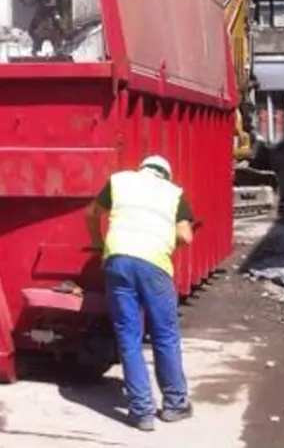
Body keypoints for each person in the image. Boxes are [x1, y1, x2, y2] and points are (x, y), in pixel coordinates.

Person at [85, 154, 194, 431]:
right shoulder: (174, 193)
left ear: (142, 169)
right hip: (154, 265)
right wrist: (164, 246)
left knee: (128, 336)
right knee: (164, 334)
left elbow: (92, 213)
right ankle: (175, 404)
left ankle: (141, 411)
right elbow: (185, 236)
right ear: (165, 175)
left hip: (118, 261)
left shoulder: (120, 181)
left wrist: (98, 244)